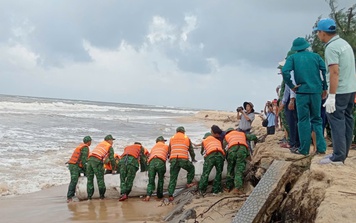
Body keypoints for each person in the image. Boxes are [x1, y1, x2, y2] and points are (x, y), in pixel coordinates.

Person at [314, 18, 356, 164]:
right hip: (350, 89)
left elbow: (334, 72)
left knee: (336, 120)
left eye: (318, 32)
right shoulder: (344, 44)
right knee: (347, 119)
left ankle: (337, 156)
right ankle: (342, 154)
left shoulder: (331, 48)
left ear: (322, 33)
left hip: (340, 90)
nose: (318, 36)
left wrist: (331, 96)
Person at [282, 37, 327, 156]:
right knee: (317, 119)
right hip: (316, 91)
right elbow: (324, 70)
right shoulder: (316, 56)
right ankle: (321, 148)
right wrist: (325, 87)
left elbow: (285, 72)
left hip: (301, 92)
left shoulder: (293, 58)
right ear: (306, 46)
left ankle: (304, 149)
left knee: (303, 121)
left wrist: (292, 86)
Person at [167, 126, 196, 201]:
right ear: (183, 131)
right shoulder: (186, 138)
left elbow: (169, 150)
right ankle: (189, 182)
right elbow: (191, 150)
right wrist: (193, 158)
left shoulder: (172, 138)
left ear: (176, 131)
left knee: (173, 177)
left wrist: (171, 158)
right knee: (191, 168)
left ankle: (170, 195)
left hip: (173, 159)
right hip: (183, 159)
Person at [86, 135, 116, 200]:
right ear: (108, 140)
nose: (112, 142)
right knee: (100, 179)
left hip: (89, 160)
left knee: (90, 180)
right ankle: (101, 196)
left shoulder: (100, 144)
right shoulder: (109, 146)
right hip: (97, 161)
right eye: (112, 140)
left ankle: (89, 197)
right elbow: (112, 159)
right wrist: (113, 169)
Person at [223, 128, 249, 194]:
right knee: (239, 169)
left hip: (232, 150)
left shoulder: (227, 136)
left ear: (227, 132)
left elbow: (224, 148)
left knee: (230, 169)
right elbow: (252, 137)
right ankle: (238, 188)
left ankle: (228, 187)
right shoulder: (242, 134)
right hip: (242, 150)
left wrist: (226, 158)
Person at [66, 136, 92, 203]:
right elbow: (84, 161)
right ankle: (69, 197)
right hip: (74, 166)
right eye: (90, 141)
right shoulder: (85, 148)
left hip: (74, 165)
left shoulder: (81, 146)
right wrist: (86, 170)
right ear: (89, 142)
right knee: (74, 180)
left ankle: (76, 193)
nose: (91, 142)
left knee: (77, 179)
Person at [143, 136, 169, 201]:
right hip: (160, 162)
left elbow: (148, 156)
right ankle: (159, 195)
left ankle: (148, 195)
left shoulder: (153, 147)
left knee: (151, 180)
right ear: (162, 141)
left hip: (151, 163)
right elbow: (169, 155)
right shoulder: (166, 146)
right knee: (160, 179)